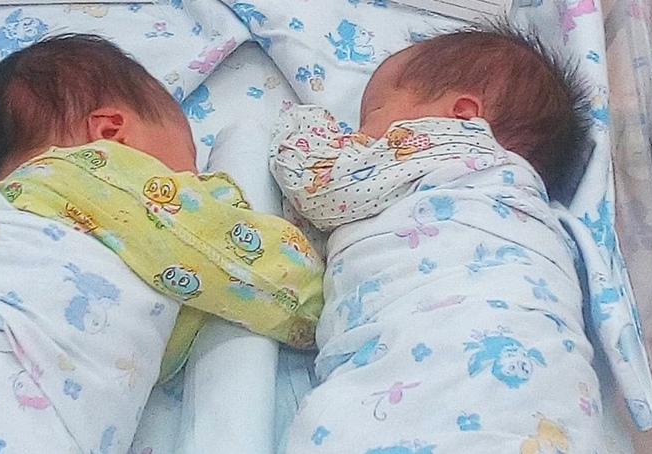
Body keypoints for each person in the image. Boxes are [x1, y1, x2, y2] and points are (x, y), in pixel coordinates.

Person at [0, 33, 323, 452]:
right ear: (111, 132)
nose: (191, 181)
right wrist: (320, 295)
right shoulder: (99, 171)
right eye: (187, 164)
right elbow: (224, 256)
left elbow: (163, 329)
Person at [270, 25, 629, 452]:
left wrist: (303, 124)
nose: (360, 137)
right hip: (548, 386)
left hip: (441, 349)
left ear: (462, 114)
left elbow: (321, 186)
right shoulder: (529, 211)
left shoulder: (445, 144)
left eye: (374, 115)